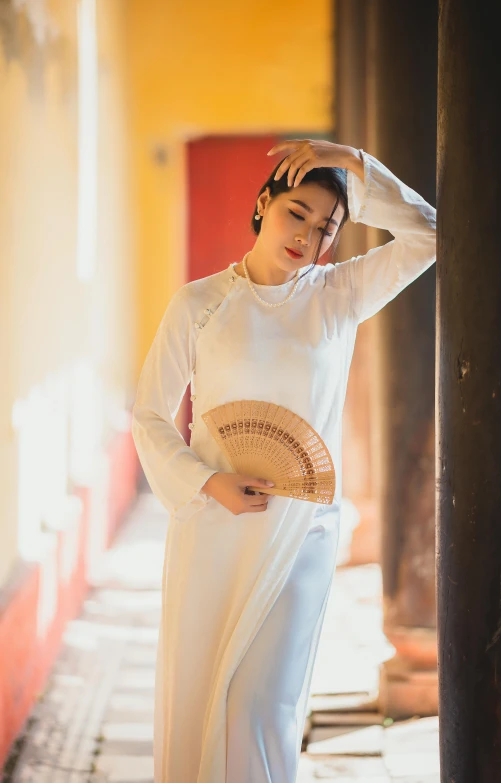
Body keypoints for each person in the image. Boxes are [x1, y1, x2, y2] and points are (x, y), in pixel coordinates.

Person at [131, 139, 437, 783]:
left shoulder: (339, 294)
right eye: (296, 212)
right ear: (262, 204)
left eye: (326, 227)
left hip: (302, 533)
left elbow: (431, 235)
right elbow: (150, 415)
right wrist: (207, 481)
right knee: (203, 696)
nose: (308, 235)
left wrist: (358, 164)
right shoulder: (199, 305)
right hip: (214, 527)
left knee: (264, 705)